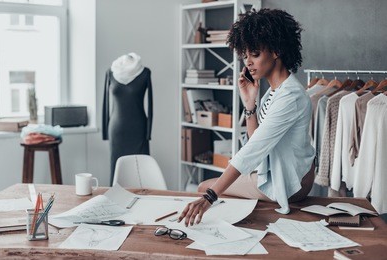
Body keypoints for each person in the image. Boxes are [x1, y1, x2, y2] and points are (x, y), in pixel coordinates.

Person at [178, 8, 315, 226]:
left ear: (276, 50)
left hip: (291, 182)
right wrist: (250, 103)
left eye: (255, 54)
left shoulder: (291, 96)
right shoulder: (274, 90)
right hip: (279, 172)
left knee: (205, 188)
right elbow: (256, 140)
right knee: (214, 188)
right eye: (245, 56)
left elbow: (252, 151)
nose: (248, 62)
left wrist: (210, 197)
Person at [102, 53, 153, 185]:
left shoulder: (145, 73)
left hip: (138, 129)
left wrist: (148, 132)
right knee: (116, 170)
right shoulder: (111, 72)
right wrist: (105, 132)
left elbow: (151, 104)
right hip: (117, 130)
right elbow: (105, 104)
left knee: (141, 170)